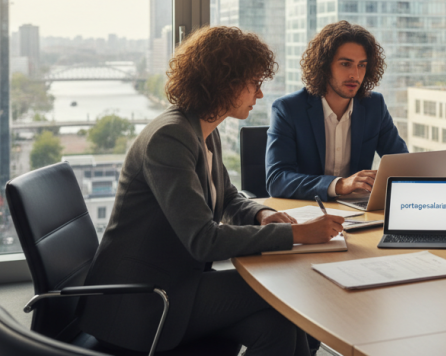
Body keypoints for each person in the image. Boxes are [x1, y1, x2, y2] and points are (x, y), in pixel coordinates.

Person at [79, 26, 344, 356]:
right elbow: (203, 240)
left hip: (177, 284)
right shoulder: (169, 139)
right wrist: (297, 235)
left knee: (280, 326)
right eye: (254, 84)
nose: (259, 95)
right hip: (143, 303)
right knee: (290, 294)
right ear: (226, 83)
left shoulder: (202, 129)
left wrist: (262, 214)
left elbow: (229, 196)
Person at [266, 20, 407, 200]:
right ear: (324, 66)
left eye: (362, 65)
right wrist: (340, 185)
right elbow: (277, 180)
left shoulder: (374, 106)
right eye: (345, 64)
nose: (355, 75)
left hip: (358, 212)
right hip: (308, 212)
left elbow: (401, 164)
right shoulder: (289, 109)